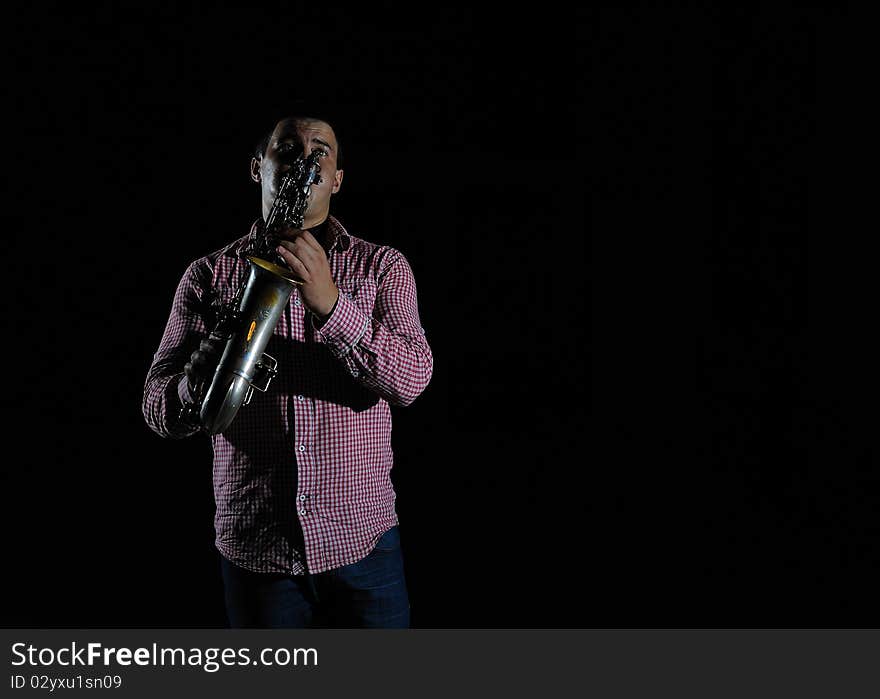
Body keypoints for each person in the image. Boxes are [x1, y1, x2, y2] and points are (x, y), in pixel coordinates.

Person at [142, 111, 433, 628]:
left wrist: (330, 304)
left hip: (364, 546)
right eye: (288, 147)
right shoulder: (207, 275)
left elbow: (412, 381)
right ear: (258, 167)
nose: (307, 157)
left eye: (322, 148)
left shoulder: (382, 267)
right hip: (258, 556)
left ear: (338, 179)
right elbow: (156, 406)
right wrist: (194, 380)